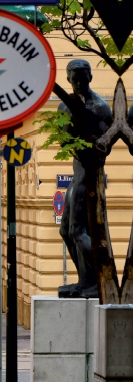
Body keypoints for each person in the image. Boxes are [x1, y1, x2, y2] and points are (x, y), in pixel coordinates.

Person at [58, 59, 112, 298]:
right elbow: (64, 141)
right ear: (68, 79)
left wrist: (88, 132)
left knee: (78, 229)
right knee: (65, 230)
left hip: (90, 174)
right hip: (77, 171)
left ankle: (98, 278)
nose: (78, 82)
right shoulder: (65, 107)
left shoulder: (100, 107)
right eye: (74, 78)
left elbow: (104, 145)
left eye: (82, 77)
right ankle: (84, 280)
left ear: (90, 77)